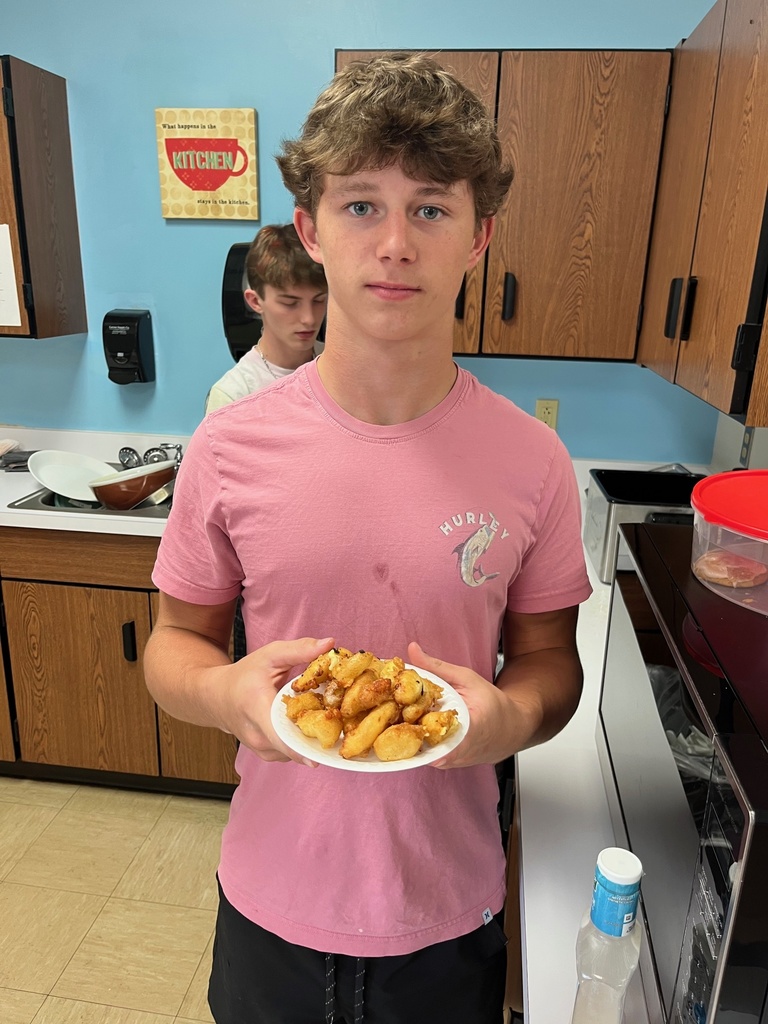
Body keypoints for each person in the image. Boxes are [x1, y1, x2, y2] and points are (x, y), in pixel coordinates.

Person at [145, 51, 593, 1024]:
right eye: (360, 206)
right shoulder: (229, 443)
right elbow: (171, 645)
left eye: (431, 208)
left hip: (448, 917)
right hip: (269, 907)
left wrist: (505, 721)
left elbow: (552, 665)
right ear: (310, 230)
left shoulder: (534, 462)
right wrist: (227, 690)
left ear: (480, 238)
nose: (394, 243)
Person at [204, 222, 327, 413]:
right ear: (255, 301)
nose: (309, 319)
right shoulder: (234, 396)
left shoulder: (340, 368)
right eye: (289, 303)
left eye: (319, 301)